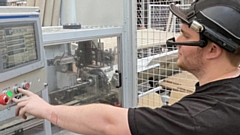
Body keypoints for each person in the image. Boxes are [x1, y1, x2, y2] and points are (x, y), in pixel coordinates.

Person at [13, 0, 240, 134]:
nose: (176, 39)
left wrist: (45, 109)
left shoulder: (202, 118)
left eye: (185, 34)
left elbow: (109, 122)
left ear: (212, 50)